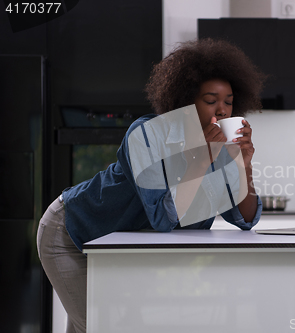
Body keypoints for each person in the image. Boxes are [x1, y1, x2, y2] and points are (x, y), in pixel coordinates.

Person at [36, 38, 266, 333]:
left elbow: (245, 219)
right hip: (70, 232)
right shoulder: (146, 135)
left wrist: (244, 164)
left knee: (92, 326)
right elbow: (161, 218)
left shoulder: (224, 150)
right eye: (211, 100)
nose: (222, 110)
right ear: (186, 101)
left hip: (112, 249)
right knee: (98, 327)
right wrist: (200, 158)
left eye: (229, 102)